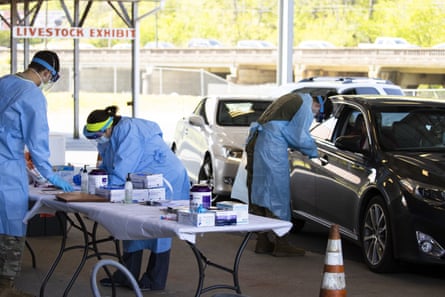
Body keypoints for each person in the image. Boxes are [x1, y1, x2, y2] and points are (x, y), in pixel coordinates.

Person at [82, 106, 190, 291]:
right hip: (139, 180)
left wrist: (108, 186)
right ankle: (126, 275)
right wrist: (97, 175)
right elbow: (109, 163)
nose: (98, 139)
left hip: (165, 179)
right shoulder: (109, 136)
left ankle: (155, 279)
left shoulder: (128, 130)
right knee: (131, 224)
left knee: (160, 228)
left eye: (98, 135)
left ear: (108, 128)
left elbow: (124, 164)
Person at [0, 50, 73, 297]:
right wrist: (50, 175)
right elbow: (38, 142)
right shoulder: (33, 96)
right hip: (7, 170)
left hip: (8, 161)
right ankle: (5, 286)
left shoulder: (4, 82)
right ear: (46, 73)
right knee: (11, 223)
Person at [245, 92, 319, 257]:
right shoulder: (305, 103)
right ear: (317, 104)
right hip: (271, 147)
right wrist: (314, 151)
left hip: (256, 142)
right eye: (316, 112)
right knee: (277, 193)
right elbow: (298, 135)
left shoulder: (291, 97)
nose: (314, 115)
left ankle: (262, 241)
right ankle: (281, 243)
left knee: (258, 193)